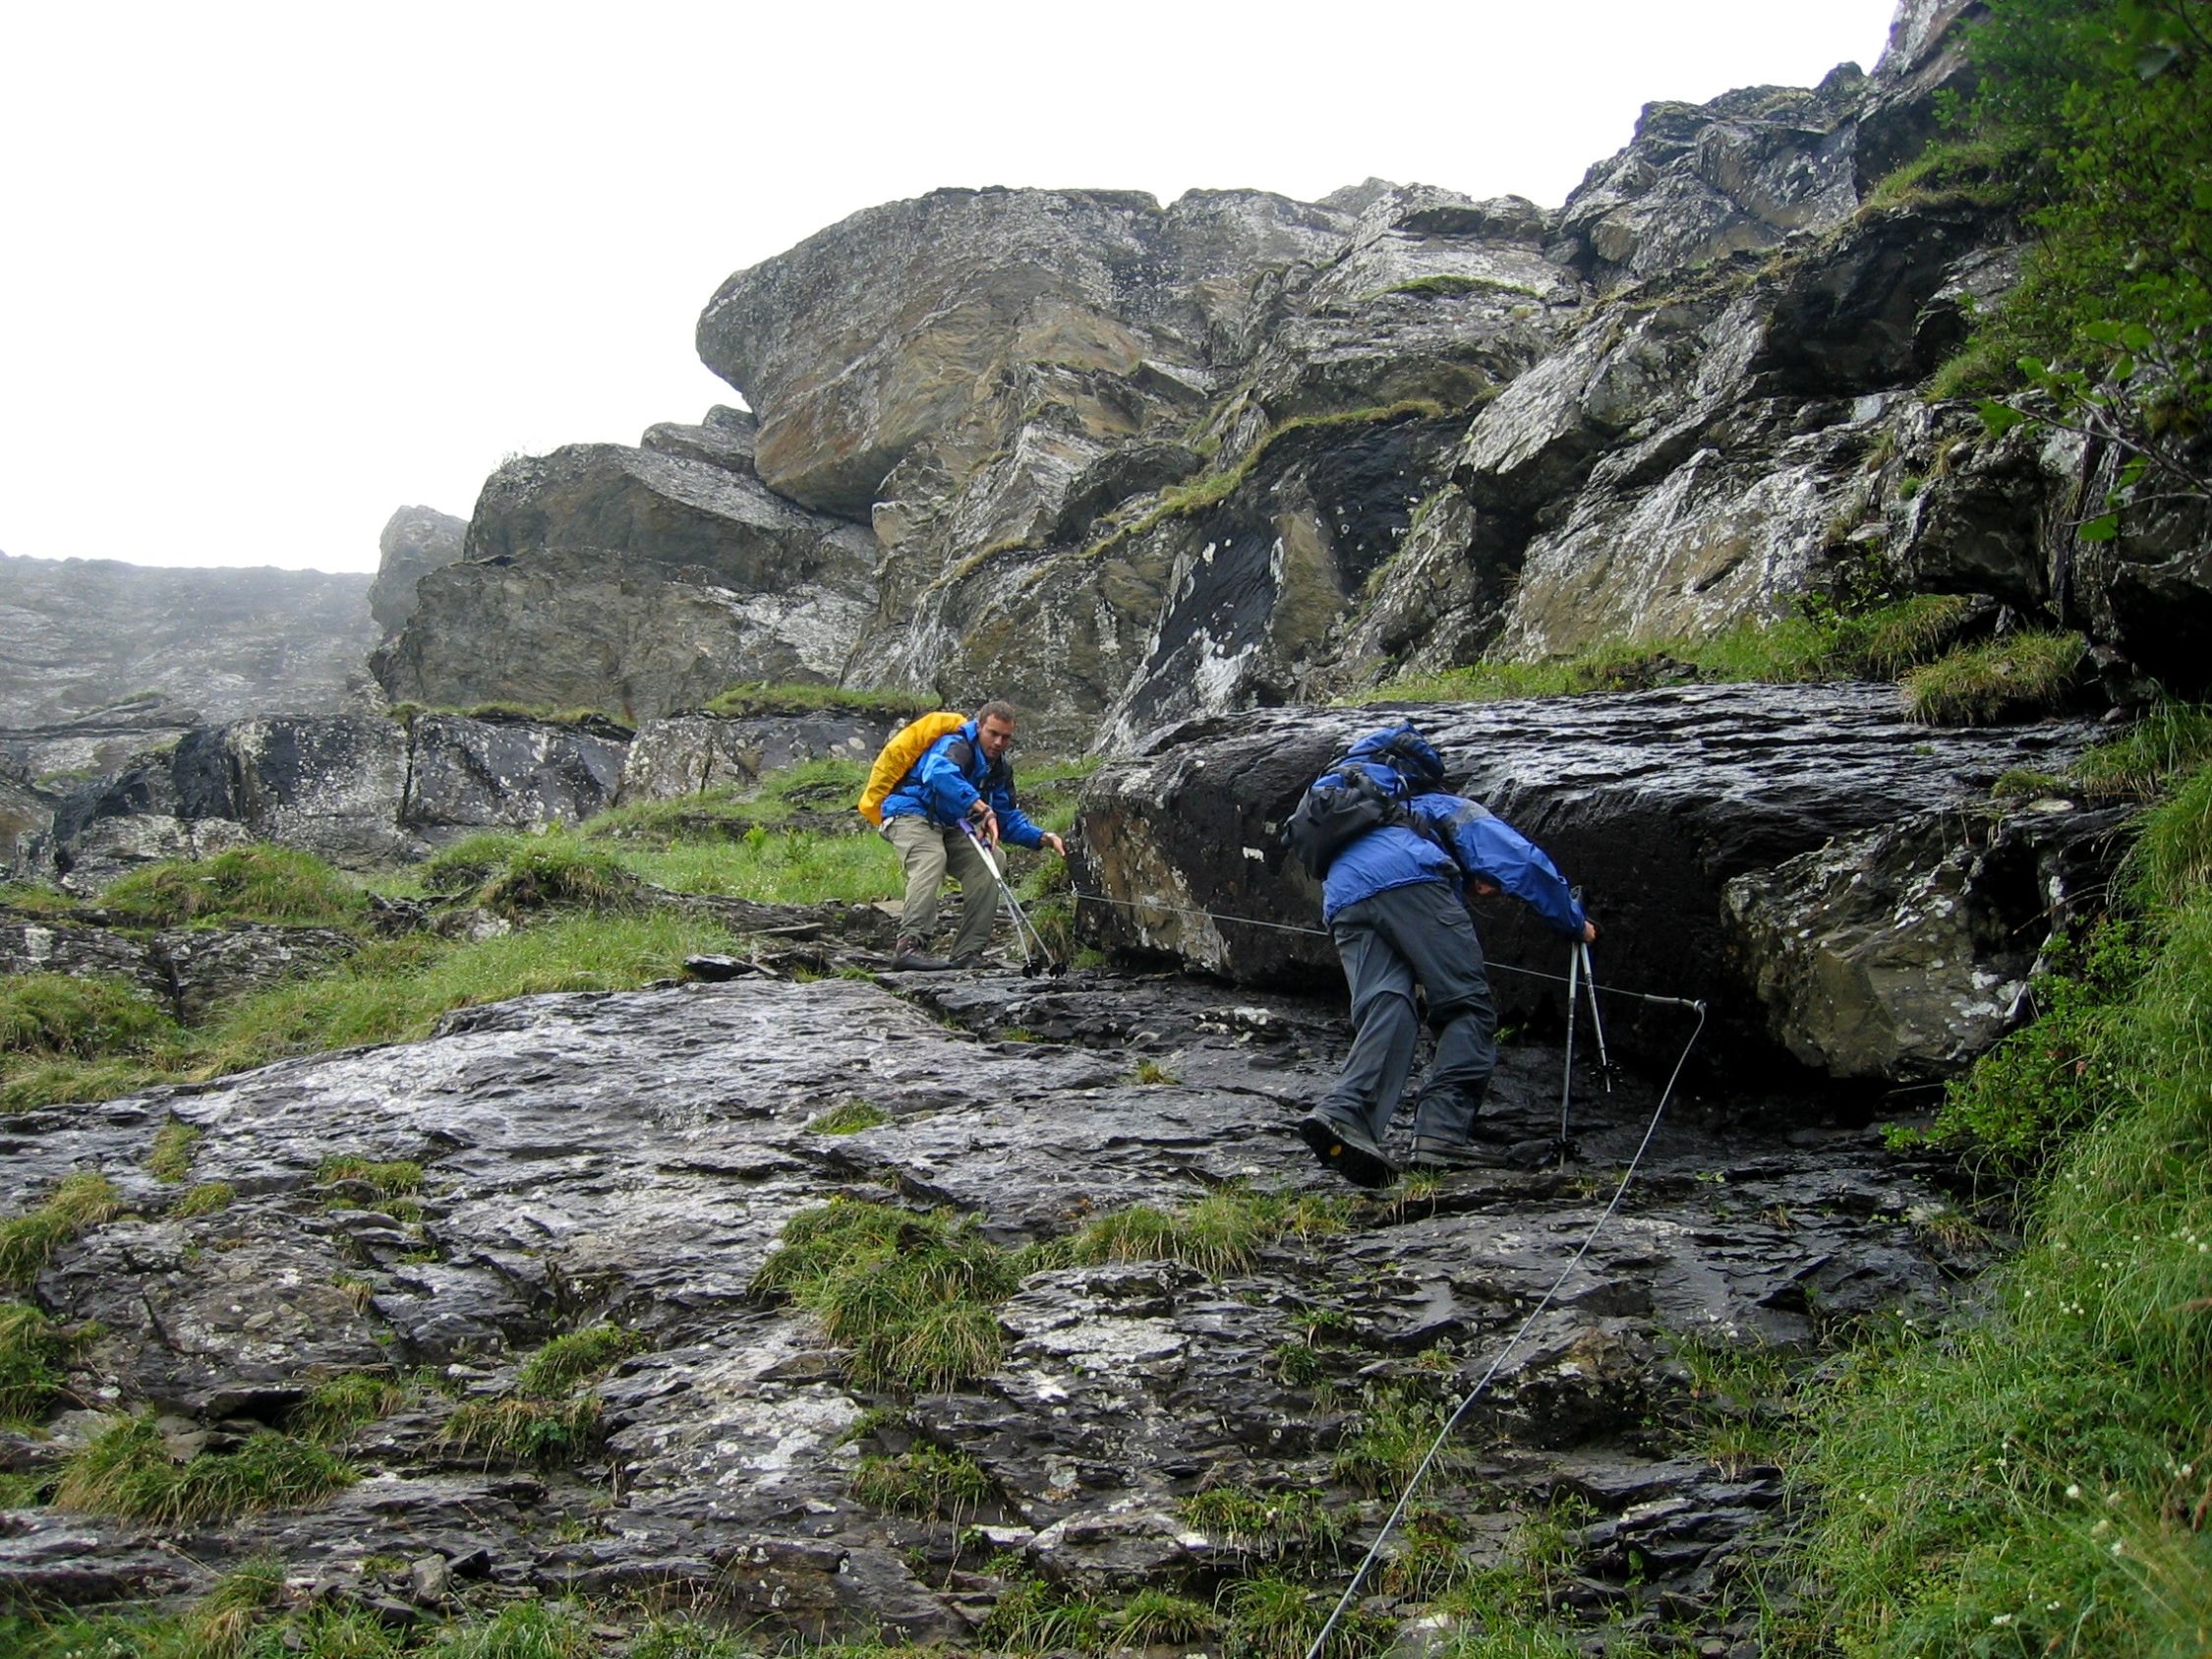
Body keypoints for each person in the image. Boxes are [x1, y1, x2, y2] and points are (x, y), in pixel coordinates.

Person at [1295, 723, 1597, 1187]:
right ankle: (1441, 1133)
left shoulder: (1348, 802)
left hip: (1343, 896)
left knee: (1387, 1004)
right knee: (1465, 1006)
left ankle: (1346, 1114)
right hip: (1414, 882)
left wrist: (1465, 878)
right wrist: (1572, 920)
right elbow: (1517, 859)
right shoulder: (1433, 802)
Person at [879, 700, 1065, 971]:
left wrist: (1042, 837)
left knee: (992, 858)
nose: (998, 742)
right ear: (979, 727)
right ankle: (909, 946)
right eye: (993, 733)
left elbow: (1004, 817)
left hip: (950, 823)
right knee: (932, 857)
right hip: (909, 812)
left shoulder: (998, 769)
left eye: (1006, 737)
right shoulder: (956, 744)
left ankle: (968, 952)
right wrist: (980, 806)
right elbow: (938, 773)